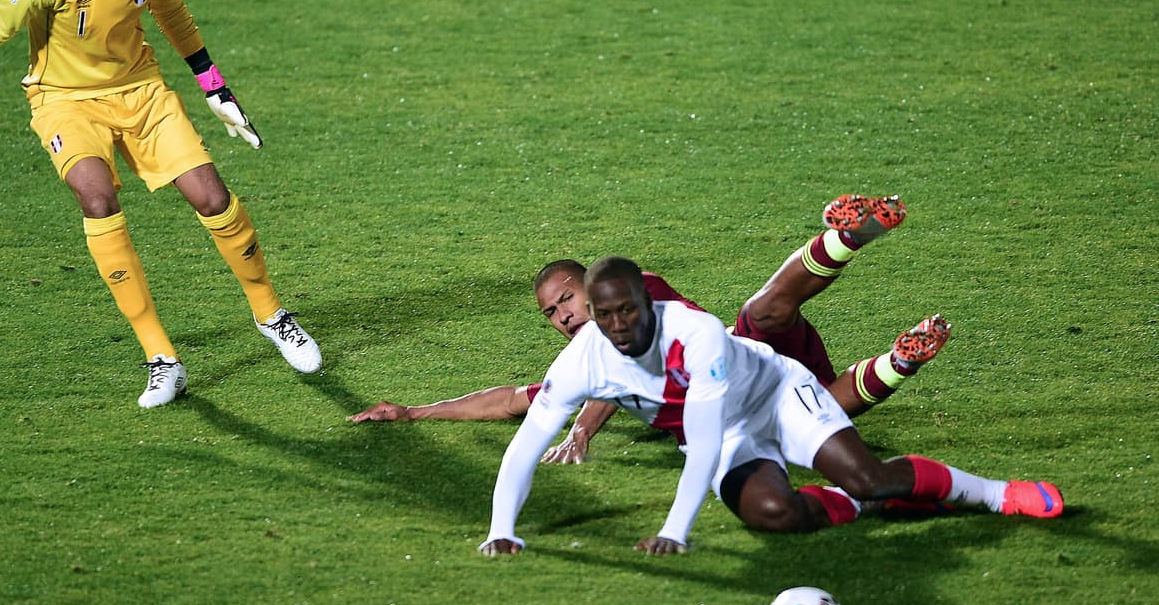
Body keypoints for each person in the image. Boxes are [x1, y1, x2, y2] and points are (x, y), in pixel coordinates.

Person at [0, 0, 322, 408]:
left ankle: (272, 315)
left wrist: (213, 85)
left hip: (141, 90)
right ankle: (162, 358)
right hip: (65, 100)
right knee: (97, 200)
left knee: (212, 195)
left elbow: (172, 13)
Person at [479, 256, 1064, 556]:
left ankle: (995, 494)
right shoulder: (581, 362)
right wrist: (502, 531)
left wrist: (675, 531)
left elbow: (703, 442)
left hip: (774, 395)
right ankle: (863, 506)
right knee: (775, 517)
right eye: (602, 317)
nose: (616, 325)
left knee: (869, 474)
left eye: (626, 309)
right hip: (727, 431)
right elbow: (525, 445)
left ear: (647, 298)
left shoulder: (696, 334)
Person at [350, 195, 949, 465]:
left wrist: (583, 430)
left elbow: (610, 384)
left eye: (568, 299)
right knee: (829, 409)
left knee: (764, 312)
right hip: (750, 410)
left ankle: (854, 230)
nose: (562, 316)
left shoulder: (639, 294)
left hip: (749, 360)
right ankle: (903, 357)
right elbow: (510, 400)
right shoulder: (585, 364)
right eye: (551, 313)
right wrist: (412, 413)